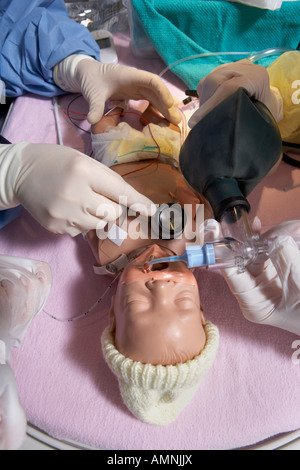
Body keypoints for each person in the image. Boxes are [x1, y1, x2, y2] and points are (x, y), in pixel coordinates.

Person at [85, 104, 220, 425]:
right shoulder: (193, 243)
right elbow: (198, 195)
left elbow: (85, 208)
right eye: (182, 300)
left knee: (102, 124)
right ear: (201, 309)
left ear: (113, 312)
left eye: (138, 301)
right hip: (168, 154)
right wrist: (195, 211)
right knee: (169, 116)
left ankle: (113, 105)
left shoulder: (109, 253)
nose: (161, 286)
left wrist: (110, 223)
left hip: (118, 157)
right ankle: (154, 107)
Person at [0, 0, 181, 237]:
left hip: (124, 154)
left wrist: (72, 63)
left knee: (145, 121)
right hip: (135, 153)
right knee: (117, 124)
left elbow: (15, 17)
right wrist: (10, 171)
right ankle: (120, 106)